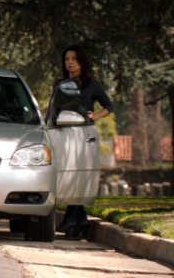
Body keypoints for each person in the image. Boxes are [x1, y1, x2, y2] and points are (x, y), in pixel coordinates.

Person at [55, 45, 114, 239]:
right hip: (64, 133)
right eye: (67, 59)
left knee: (78, 177)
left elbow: (108, 106)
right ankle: (78, 220)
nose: (70, 62)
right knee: (68, 176)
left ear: (81, 62)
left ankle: (73, 220)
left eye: (74, 59)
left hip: (84, 133)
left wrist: (95, 116)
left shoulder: (91, 84)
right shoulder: (61, 84)